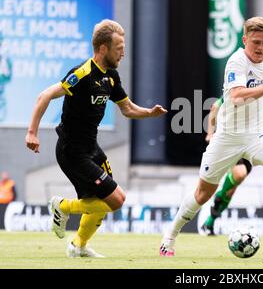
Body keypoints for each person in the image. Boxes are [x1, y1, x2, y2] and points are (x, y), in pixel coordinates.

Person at [25, 19, 167, 258]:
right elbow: (44, 96)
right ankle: (62, 206)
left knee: (100, 202)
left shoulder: (110, 77)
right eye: (118, 48)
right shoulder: (82, 74)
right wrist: (32, 132)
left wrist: (149, 113)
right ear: (103, 49)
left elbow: (128, 109)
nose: (123, 52)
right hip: (72, 151)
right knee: (116, 200)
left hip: (92, 147)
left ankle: (78, 246)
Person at [160, 16, 263, 257]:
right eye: (256, 42)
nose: (261, 48)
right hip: (227, 137)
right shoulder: (236, 62)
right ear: (245, 40)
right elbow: (237, 97)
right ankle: (169, 236)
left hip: (256, 134)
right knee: (202, 194)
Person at [200, 94, 263, 235]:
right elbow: (215, 107)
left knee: (230, 191)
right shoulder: (239, 90)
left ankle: (210, 222)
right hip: (234, 142)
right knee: (240, 173)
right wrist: (210, 133)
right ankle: (218, 194)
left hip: (252, 145)